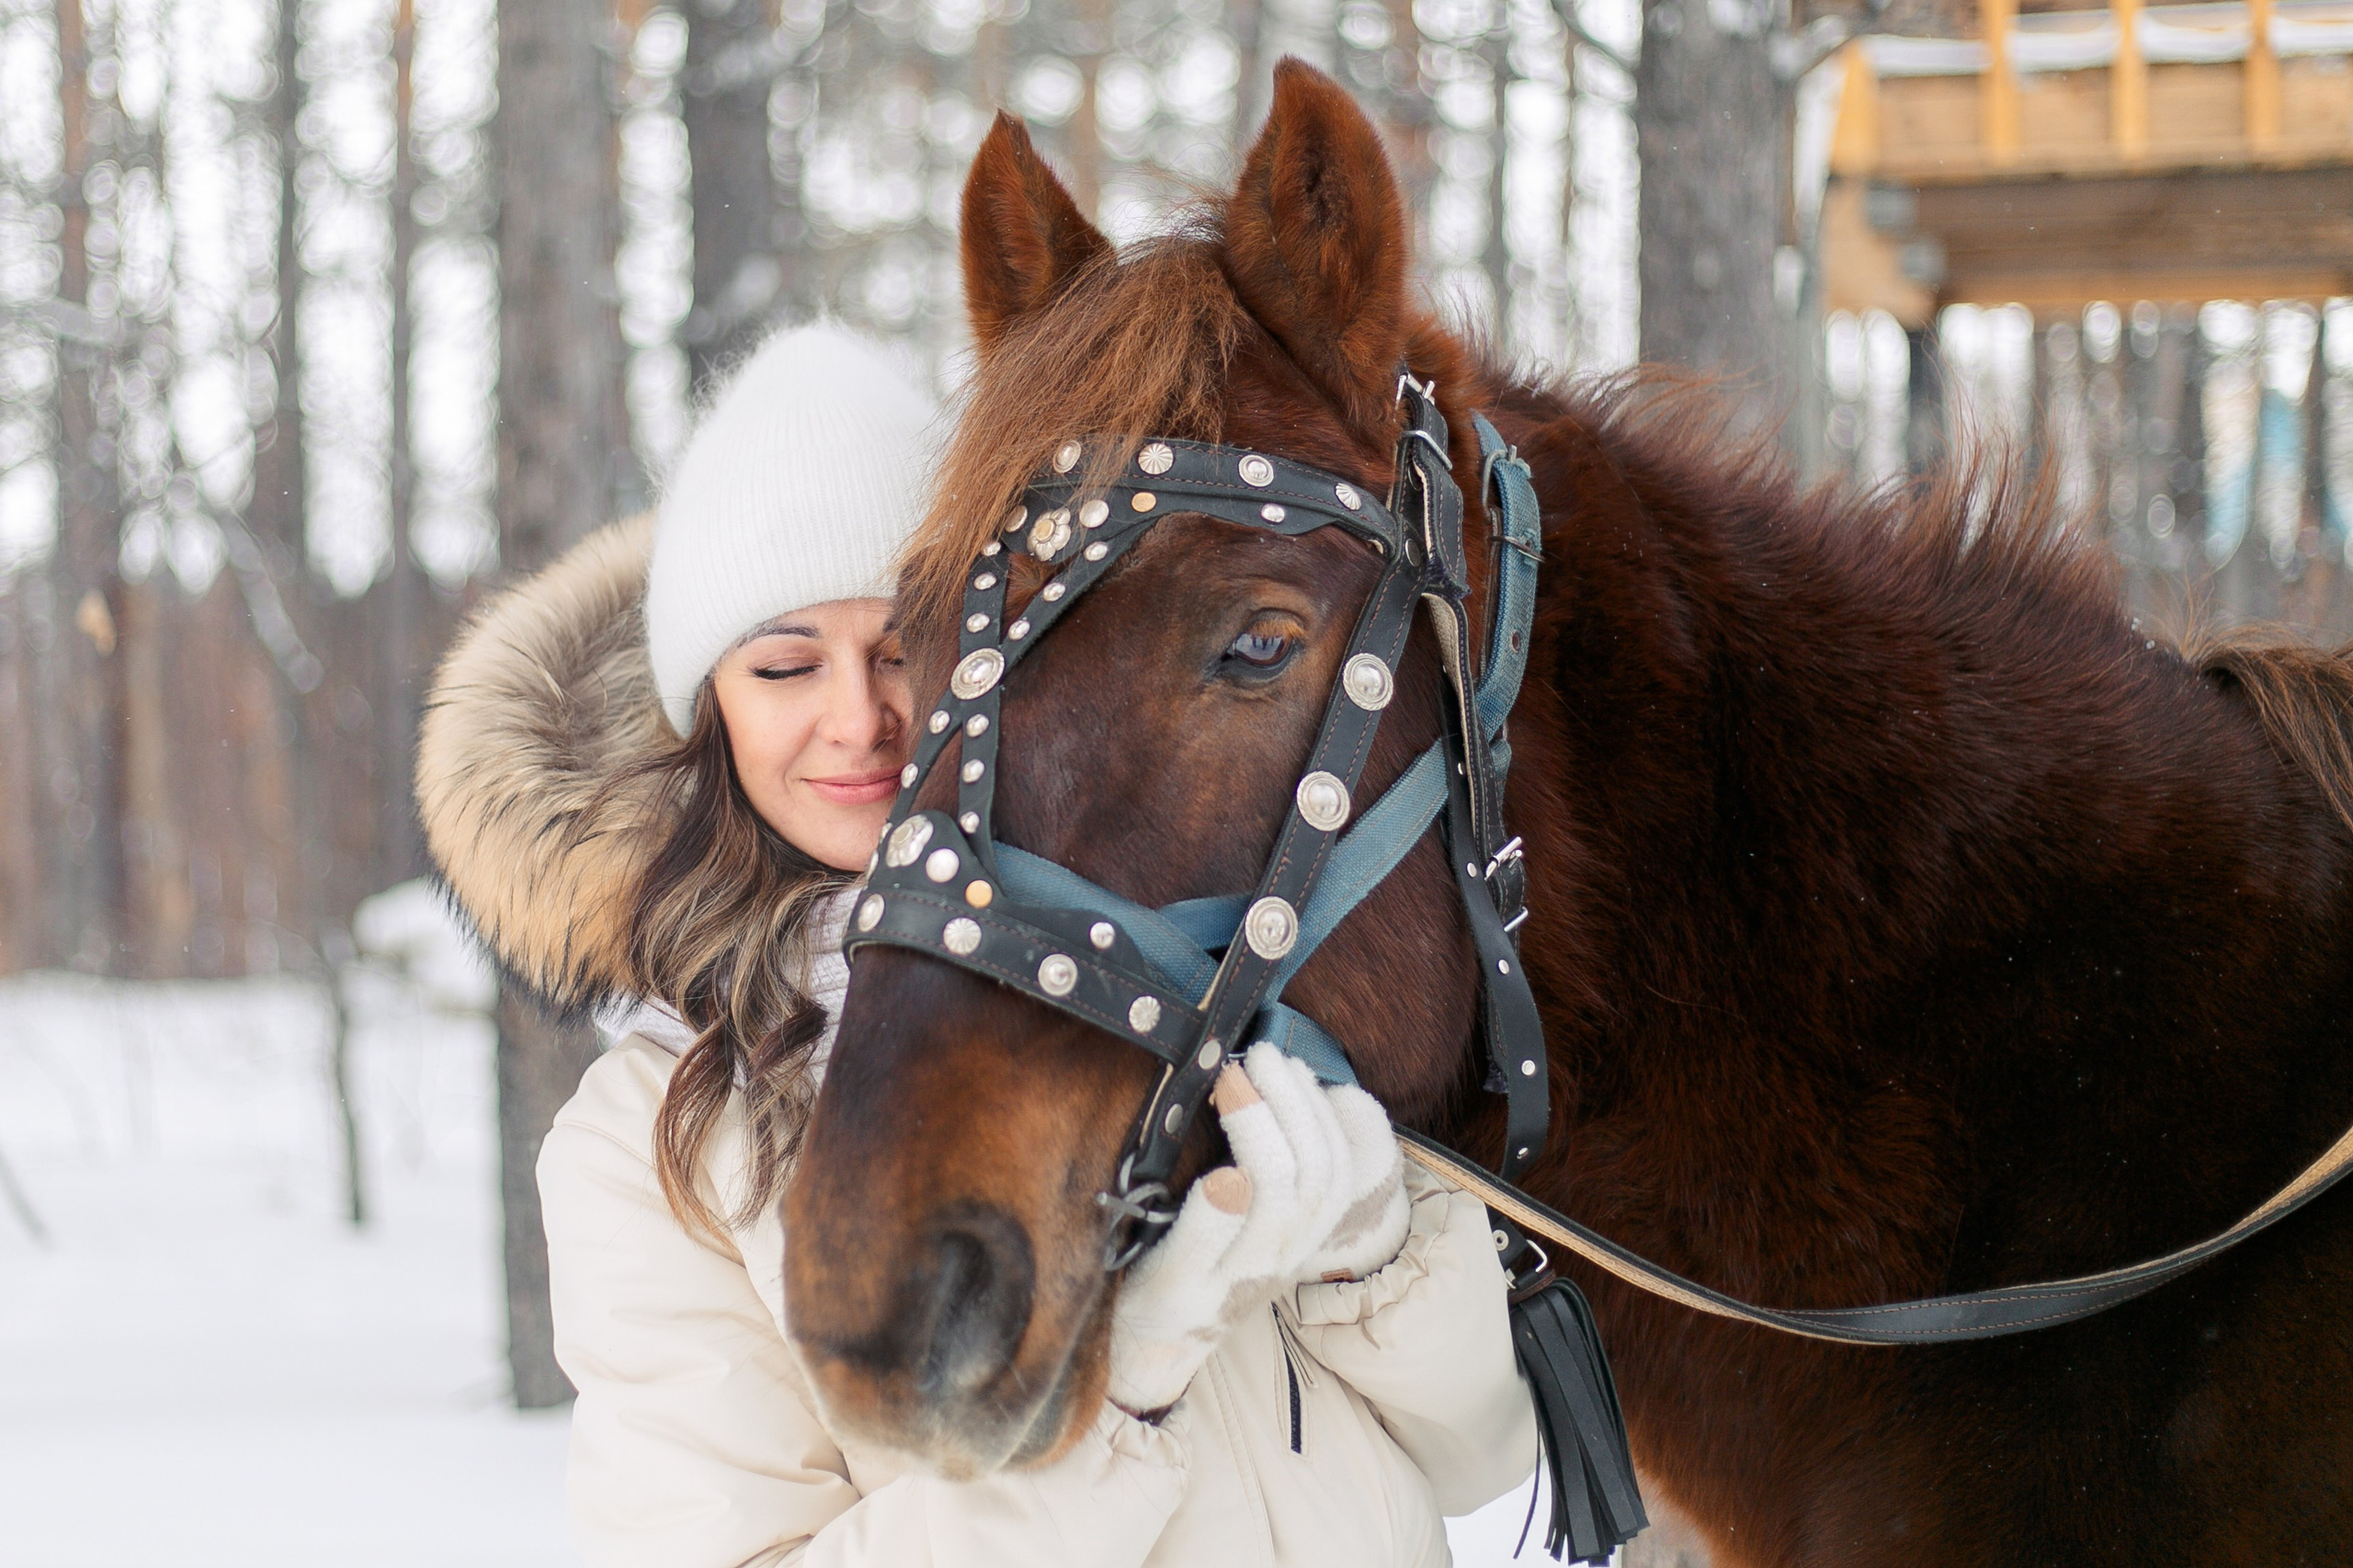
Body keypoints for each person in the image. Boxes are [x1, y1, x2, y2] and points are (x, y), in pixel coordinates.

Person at [415, 322, 1537, 1568]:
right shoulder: (656, 1142)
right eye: (786, 666)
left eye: (906, 648)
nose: (860, 719)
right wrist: (1119, 1392)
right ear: (708, 712)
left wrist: (1369, 1256)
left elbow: (1485, 1453)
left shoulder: (1196, 937)